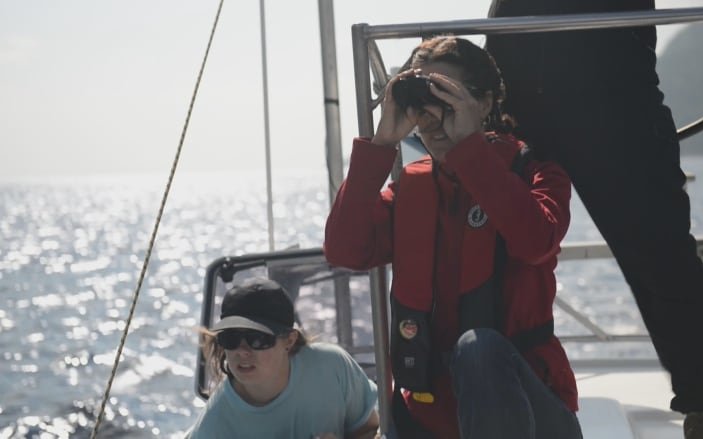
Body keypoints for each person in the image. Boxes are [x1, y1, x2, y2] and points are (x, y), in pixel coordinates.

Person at [483, 1, 703, 438]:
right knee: (491, 248)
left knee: (662, 256)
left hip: (617, 104)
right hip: (519, 98)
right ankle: (485, 387)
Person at [324, 35, 582, 439]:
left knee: (478, 347)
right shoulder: (411, 189)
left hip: (531, 420)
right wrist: (382, 145)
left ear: (483, 104)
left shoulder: (536, 173)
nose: (432, 117)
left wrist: (469, 148)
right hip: (427, 420)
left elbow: (536, 242)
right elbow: (344, 249)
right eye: (421, 102)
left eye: (446, 98)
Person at [186, 278, 379, 439]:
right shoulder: (215, 423)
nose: (242, 351)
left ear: (289, 340)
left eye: (258, 339)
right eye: (231, 338)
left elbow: (371, 428)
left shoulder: (332, 366)